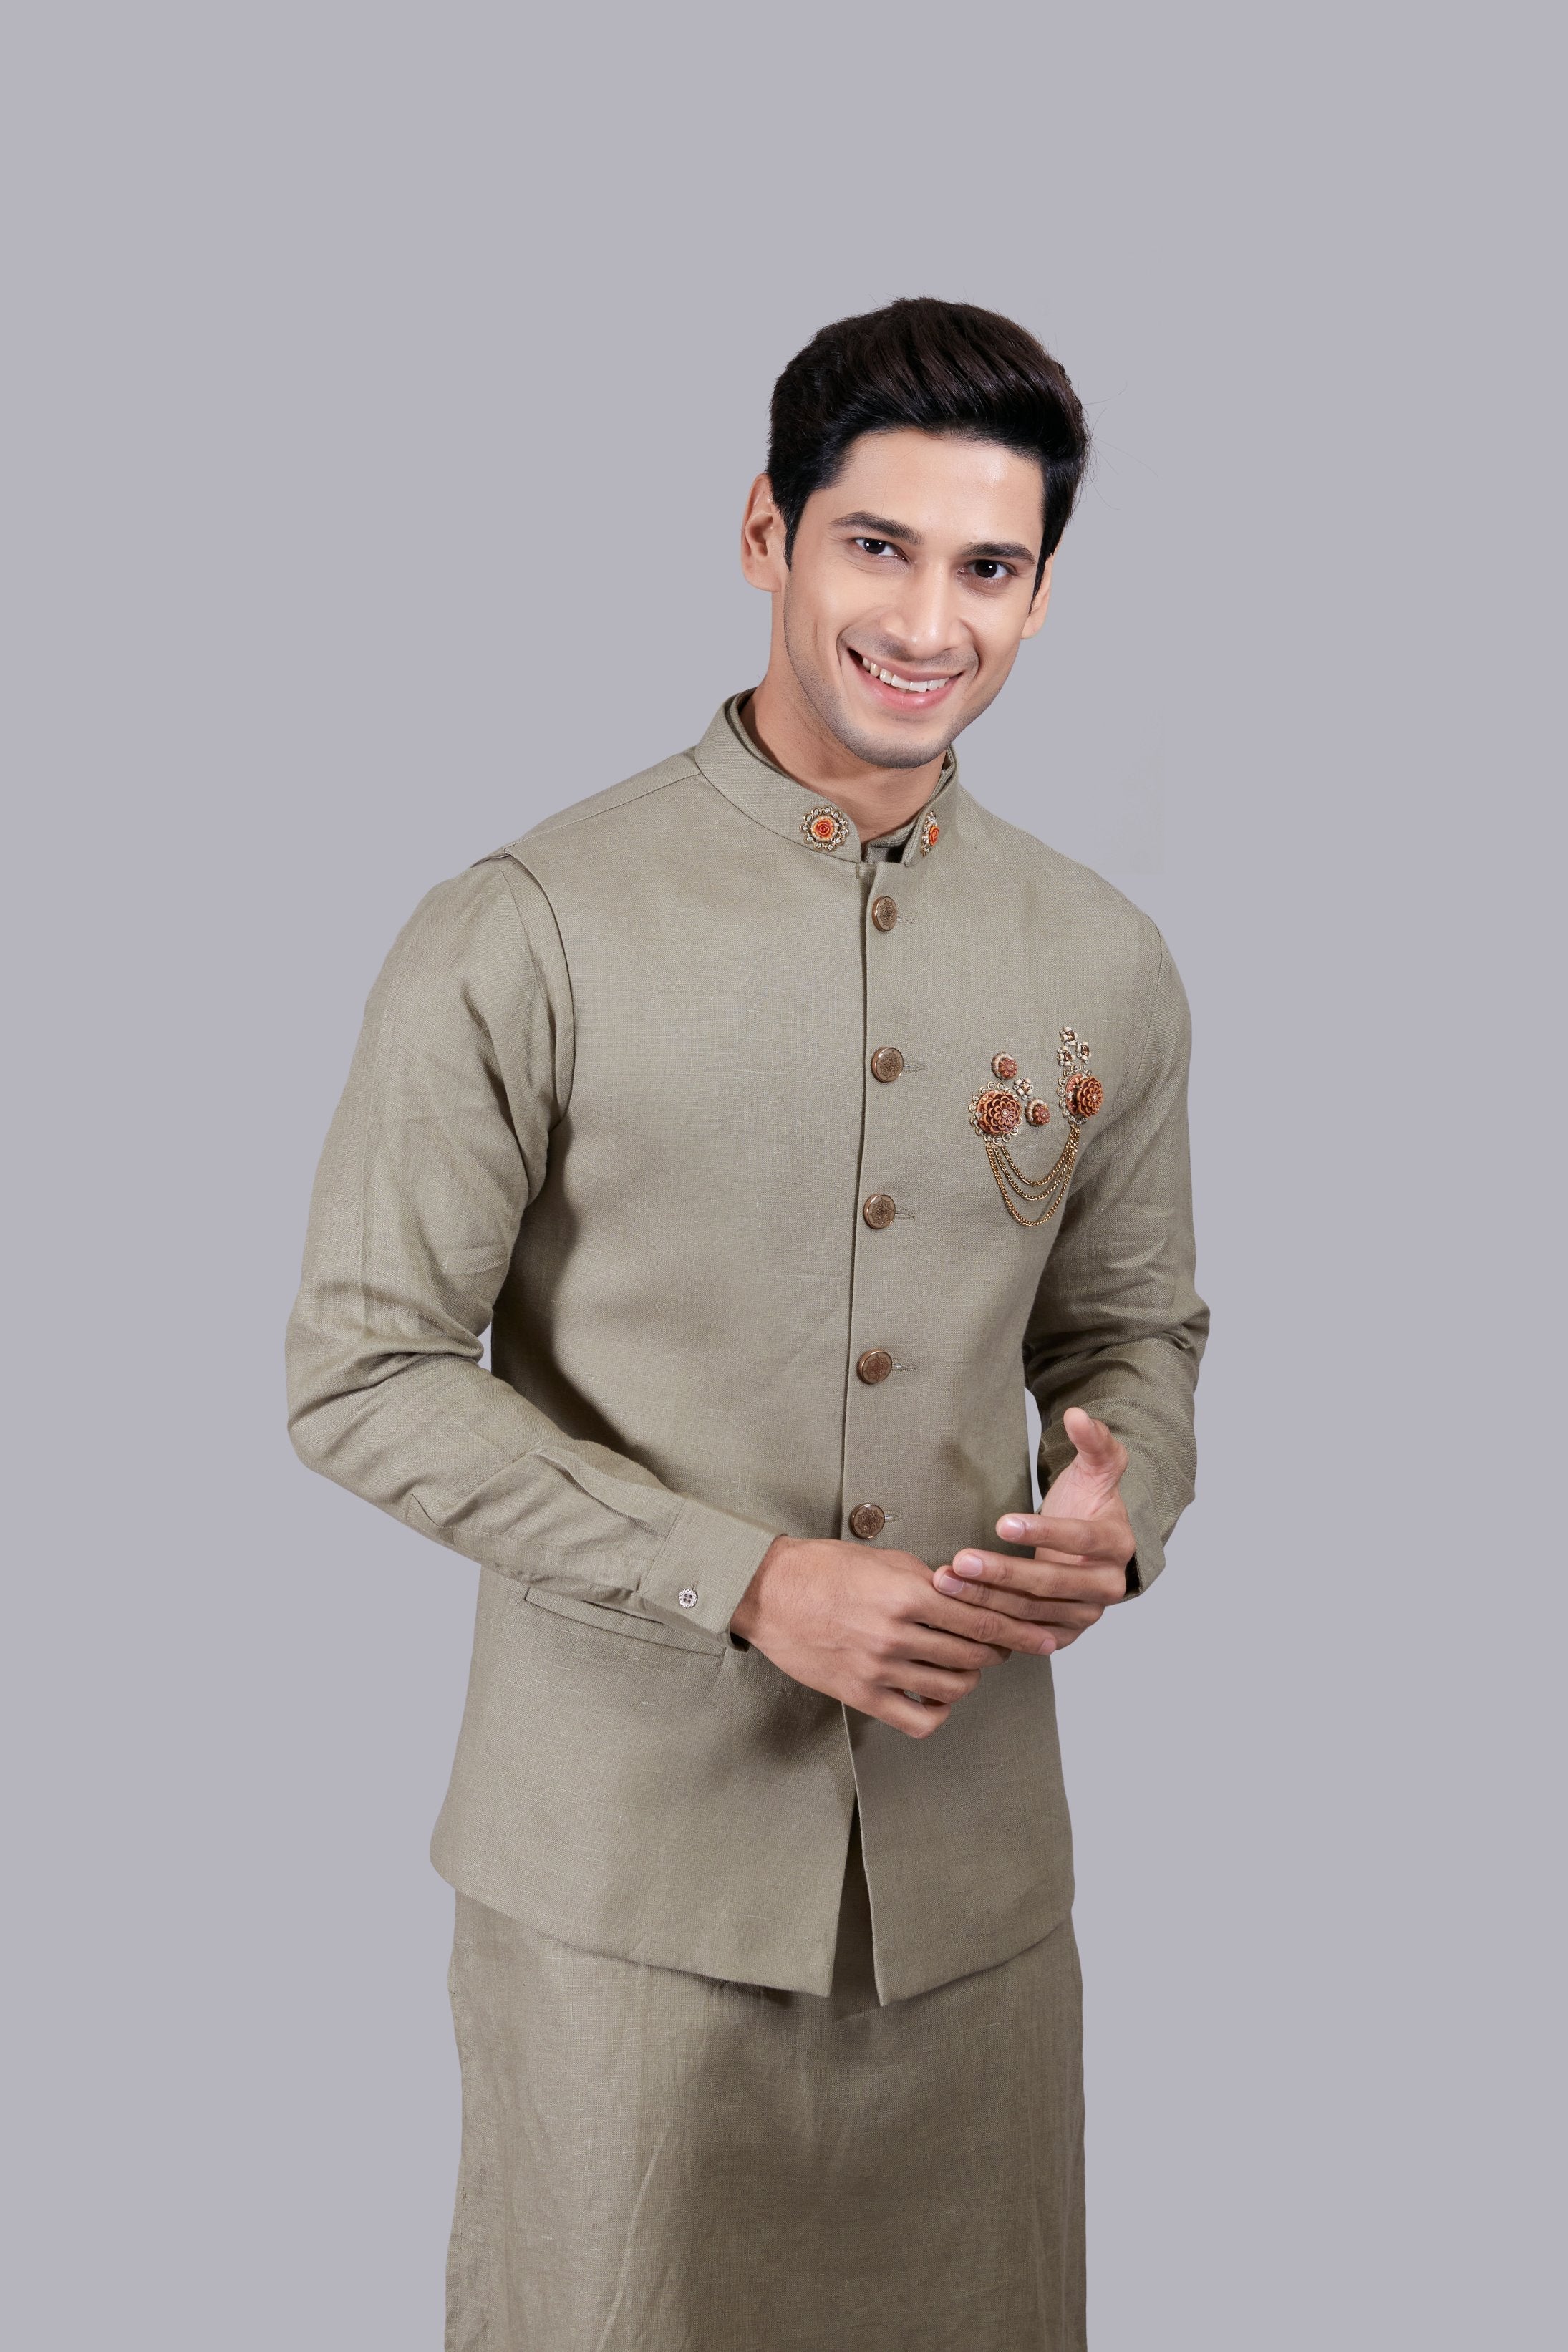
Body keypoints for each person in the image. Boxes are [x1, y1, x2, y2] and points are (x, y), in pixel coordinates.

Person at [287, 296, 1207, 2352]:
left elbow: (1136, 1327)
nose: (931, 622)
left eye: (991, 568)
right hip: (621, 1899)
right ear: (766, 535)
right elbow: (364, 1372)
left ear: (1044, 592)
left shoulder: (1106, 958)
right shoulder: (526, 927)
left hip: (980, 1902)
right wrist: (746, 1582)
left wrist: (1124, 1505)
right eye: (878, 546)